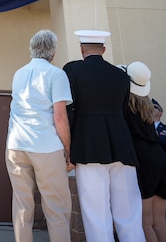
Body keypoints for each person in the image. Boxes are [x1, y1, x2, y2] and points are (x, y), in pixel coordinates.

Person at [63, 30, 145, 241]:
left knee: (96, 215)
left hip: (89, 146)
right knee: (129, 214)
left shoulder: (72, 70)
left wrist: (68, 149)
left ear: (82, 50)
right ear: (104, 50)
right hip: (122, 146)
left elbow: (69, 111)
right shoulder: (121, 75)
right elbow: (124, 111)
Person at [5, 29, 73, 242]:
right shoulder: (57, 74)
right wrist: (69, 153)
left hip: (16, 144)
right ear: (53, 52)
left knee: (22, 208)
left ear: (32, 49)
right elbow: (60, 117)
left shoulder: (19, 73)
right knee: (57, 209)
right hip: (46, 146)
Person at [120, 61, 166, 242]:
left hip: (144, 162)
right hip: (161, 160)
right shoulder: (147, 106)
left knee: (146, 224)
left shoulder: (125, 106)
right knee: (160, 223)